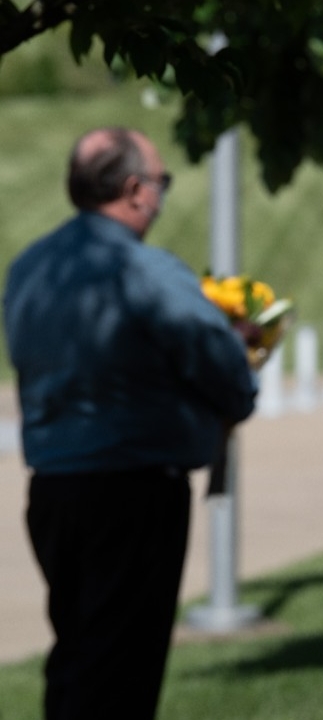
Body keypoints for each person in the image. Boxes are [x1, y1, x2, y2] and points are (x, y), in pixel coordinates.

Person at [2, 127, 258, 719]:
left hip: (53, 491)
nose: (161, 196)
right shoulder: (141, 269)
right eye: (161, 183)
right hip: (133, 491)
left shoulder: (28, 267)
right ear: (135, 189)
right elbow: (218, 363)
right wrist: (240, 360)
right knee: (121, 671)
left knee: (78, 654)